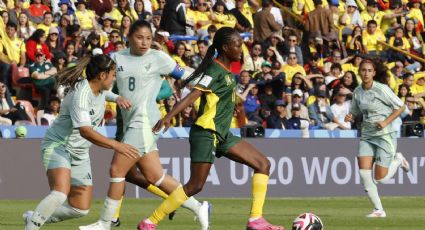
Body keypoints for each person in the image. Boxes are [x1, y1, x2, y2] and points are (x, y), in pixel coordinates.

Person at [148, 27, 284, 230]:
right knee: (195, 185)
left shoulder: (228, 72)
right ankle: (150, 222)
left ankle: (255, 219)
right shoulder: (214, 69)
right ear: (225, 47)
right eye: (237, 45)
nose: (241, 48)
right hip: (206, 132)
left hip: (222, 134)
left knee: (263, 164)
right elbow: (193, 95)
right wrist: (169, 116)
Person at [79, 20, 209, 230]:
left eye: (148, 38)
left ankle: (105, 223)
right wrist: (117, 97)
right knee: (155, 176)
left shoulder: (158, 58)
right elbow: (102, 86)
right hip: (131, 123)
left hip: (145, 121)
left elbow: (186, 75)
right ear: (128, 37)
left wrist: (209, 80)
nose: (144, 42)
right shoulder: (116, 58)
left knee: (116, 169)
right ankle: (198, 207)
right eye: (139, 37)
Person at [23, 54, 139, 230]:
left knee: (80, 209)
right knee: (60, 193)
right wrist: (116, 145)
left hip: (80, 153)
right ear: (102, 76)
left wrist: (117, 98)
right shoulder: (81, 94)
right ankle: (31, 227)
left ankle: (35, 217)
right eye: (113, 74)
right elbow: (85, 131)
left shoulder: (98, 88)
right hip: (59, 146)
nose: (115, 78)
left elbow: (105, 92)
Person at [344, 59, 410, 218]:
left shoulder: (382, 89)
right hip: (367, 135)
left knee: (381, 179)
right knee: (364, 173)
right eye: (363, 70)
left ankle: (398, 161)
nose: (366, 73)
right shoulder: (358, 92)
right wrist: (350, 117)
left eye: (369, 70)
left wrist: (386, 121)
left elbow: (401, 106)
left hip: (384, 135)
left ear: (374, 73)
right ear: (359, 72)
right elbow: (355, 111)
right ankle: (378, 210)